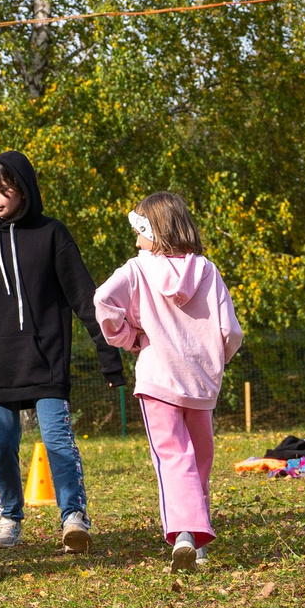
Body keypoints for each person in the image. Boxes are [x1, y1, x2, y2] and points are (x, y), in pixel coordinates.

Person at [0, 152, 125, 556]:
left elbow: (85, 299)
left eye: (3, 189)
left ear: (24, 188)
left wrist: (110, 357)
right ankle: (9, 519)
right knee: (1, 446)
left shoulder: (52, 233)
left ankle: (73, 517)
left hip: (47, 359)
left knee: (57, 440)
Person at [93, 193, 242, 571]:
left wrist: (129, 338)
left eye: (138, 232)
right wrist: (212, 362)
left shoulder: (137, 269)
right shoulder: (207, 270)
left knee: (173, 458)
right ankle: (200, 542)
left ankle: (185, 535)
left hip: (158, 379)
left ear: (154, 232)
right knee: (200, 459)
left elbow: (103, 301)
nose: (134, 241)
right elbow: (231, 332)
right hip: (201, 384)